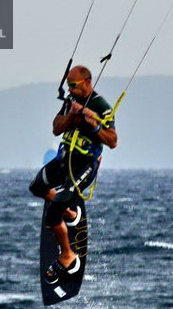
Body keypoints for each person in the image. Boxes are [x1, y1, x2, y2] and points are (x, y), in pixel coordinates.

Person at [29, 65, 118, 284]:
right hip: (64, 159)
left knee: (53, 213)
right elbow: (56, 128)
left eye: (73, 86)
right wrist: (73, 115)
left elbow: (113, 140)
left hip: (85, 164)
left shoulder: (101, 106)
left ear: (87, 82)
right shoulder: (70, 102)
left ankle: (68, 257)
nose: (69, 90)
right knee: (37, 187)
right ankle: (70, 214)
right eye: (68, 85)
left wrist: (92, 124)